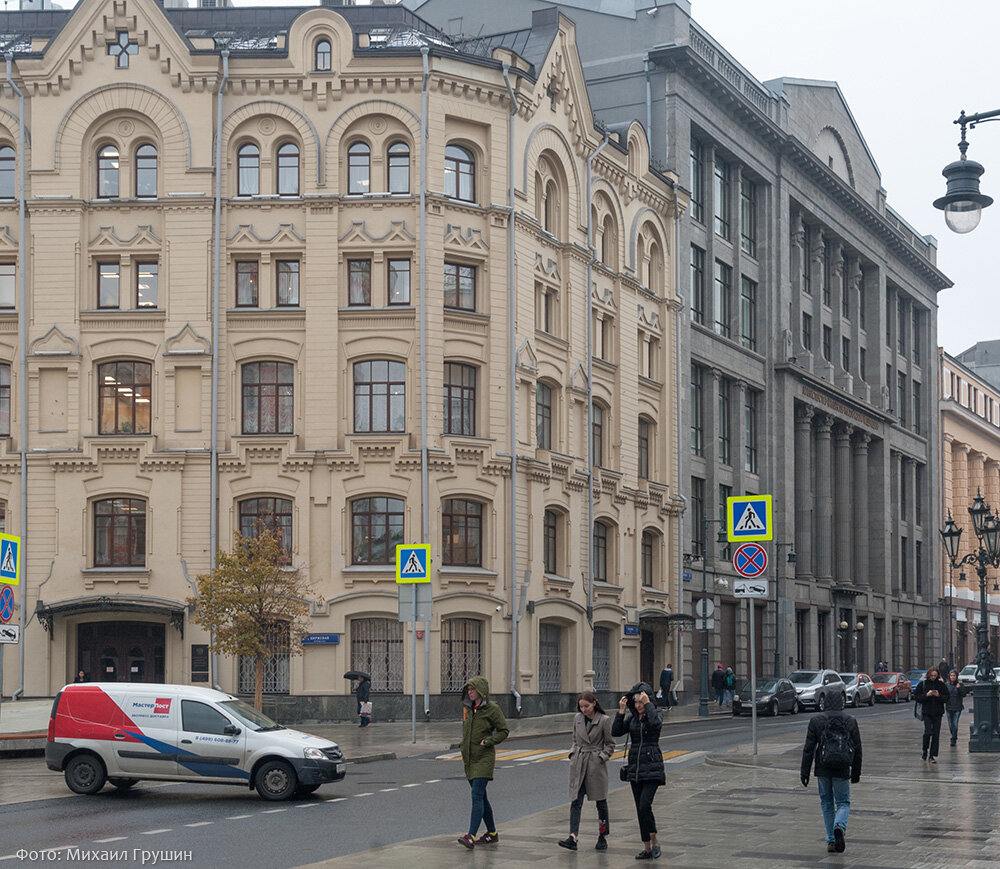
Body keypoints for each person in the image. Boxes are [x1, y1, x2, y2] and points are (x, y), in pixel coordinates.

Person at [800, 691, 862, 854]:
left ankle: (831, 840)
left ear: (825, 702)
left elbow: (808, 749)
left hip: (822, 767)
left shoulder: (816, 721)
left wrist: (804, 772)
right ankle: (839, 826)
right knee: (843, 802)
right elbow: (857, 748)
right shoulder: (850, 720)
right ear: (841, 703)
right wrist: (856, 773)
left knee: (826, 803)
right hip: (842, 768)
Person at [612, 682, 665, 860]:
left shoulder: (655, 714)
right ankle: (647, 848)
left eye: (641, 703)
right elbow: (616, 731)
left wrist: (648, 703)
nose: (638, 706)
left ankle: (655, 840)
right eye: (636, 703)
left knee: (645, 805)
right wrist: (621, 711)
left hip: (652, 766)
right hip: (635, 768)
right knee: (639, 809)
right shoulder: (633, 719)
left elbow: (655, 724)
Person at [559, 692, 615, 852]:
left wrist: (601, 757)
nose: (584, 709)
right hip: (579, 762)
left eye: (587, 706)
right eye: (581, 706)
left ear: (594, 703)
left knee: (601, 802)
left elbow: (610, 744)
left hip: (595, 765)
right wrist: (573, 753)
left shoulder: (604, 720)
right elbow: (575, 739)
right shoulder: (577, 718)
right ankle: (572, 837)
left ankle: (602, 836)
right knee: (576, 801)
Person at [457, 676, 509, 849]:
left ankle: (470, 836)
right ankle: (492, 834)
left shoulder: (492, 709)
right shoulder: (468, 708)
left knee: (476, 795)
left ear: (481, 691)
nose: (469, 692)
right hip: (470, 758)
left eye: (472, 689)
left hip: (484, 757)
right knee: (482, 797)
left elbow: (504, 731)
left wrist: (488, 741)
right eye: (468, 690)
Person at [915, 667, 949, 762]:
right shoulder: (923, 684)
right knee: (928, 732)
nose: (933, 677)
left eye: (935, 675)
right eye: (932, 675)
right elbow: (917, 697)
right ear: (928, 675)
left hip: (938, 712)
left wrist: (939, 695)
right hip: (927, 712)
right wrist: (926, 695)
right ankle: (924, 750)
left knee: (936, 734)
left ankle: (932, 755)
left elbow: (946, 698)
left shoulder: (941, 685)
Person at [945, 669, 970, 747]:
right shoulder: (947, 685)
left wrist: (959, 688)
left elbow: (964, 694)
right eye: (951, 676)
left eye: (954, 676)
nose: (952, 677)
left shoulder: (960, 685)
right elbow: (944, 695)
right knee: (950, 724)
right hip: (949, 707)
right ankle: (953, 736)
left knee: (955, 723)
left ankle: (953, 739)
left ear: (956, 676)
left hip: (957, 707)